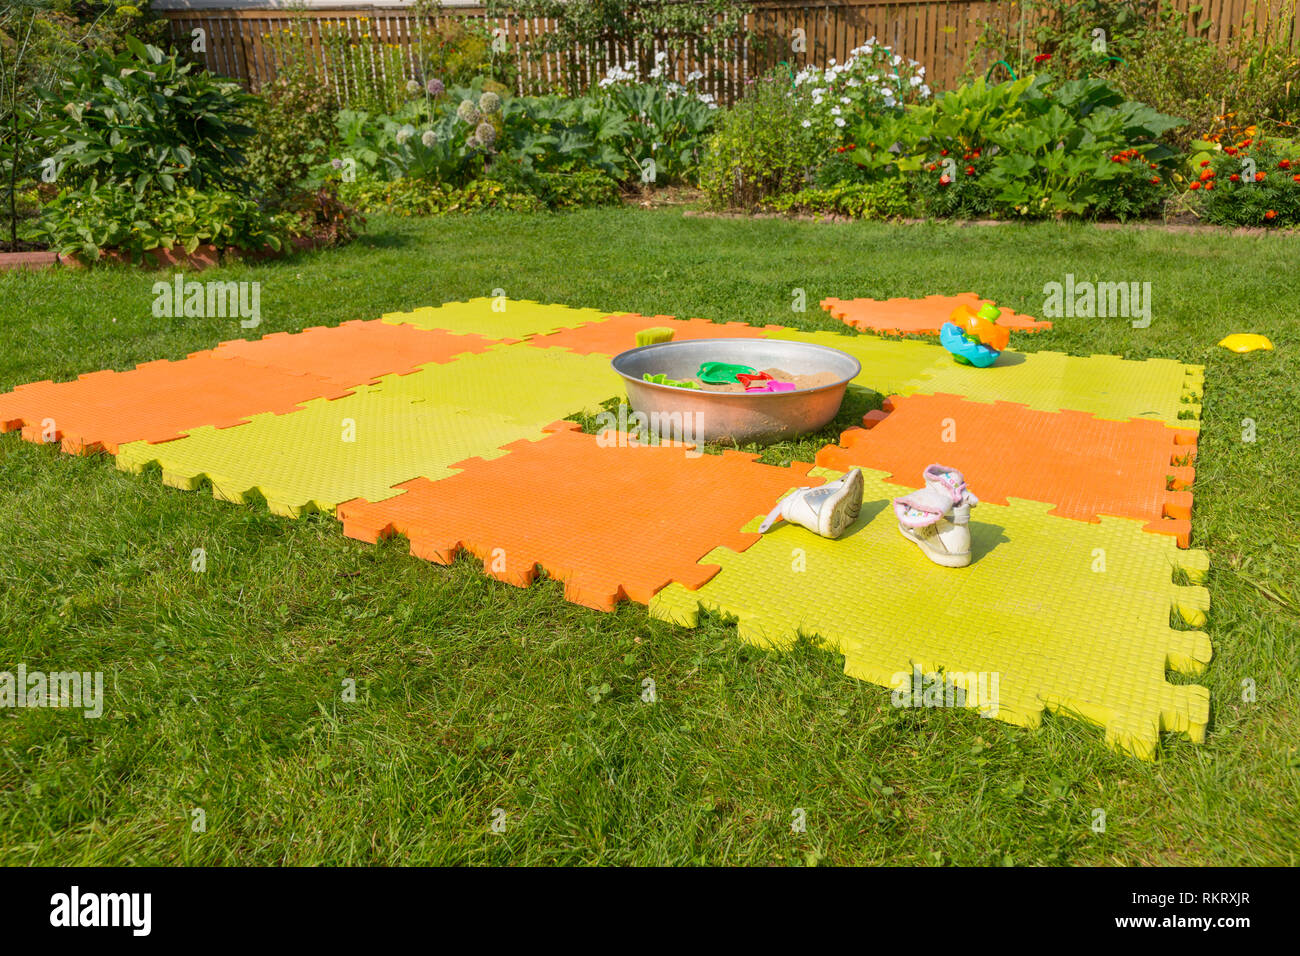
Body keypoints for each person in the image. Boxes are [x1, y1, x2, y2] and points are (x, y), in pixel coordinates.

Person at [757, 464, 978, 568]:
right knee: (796, 506)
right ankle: (956, 534)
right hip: (957, 534)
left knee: (795, 506)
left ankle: (804, 504)